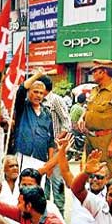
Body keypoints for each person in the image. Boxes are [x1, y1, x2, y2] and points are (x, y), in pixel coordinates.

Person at [77, 59, 112, 177]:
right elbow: (88, 107)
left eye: (95, 71)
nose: (93, 74)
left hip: (106, 138)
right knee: (91, 171)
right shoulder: (95, 90)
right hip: (90, 137)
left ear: (103, 72)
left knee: (107, 172)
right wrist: (82, 118)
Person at [11, 73, 55, 176]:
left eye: (41, 93)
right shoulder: (22, 107)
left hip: (40, 159)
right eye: (35, 92)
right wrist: (37, 75)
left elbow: (51, 141)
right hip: (23, 156)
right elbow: (21, 90)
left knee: (39, 190)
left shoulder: (47, 113)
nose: (38, 95)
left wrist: (50, 163)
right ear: (29, 92)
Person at [40, 75, 71, 215]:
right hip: (42, 150)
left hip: (57, 150)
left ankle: (60, 216)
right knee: (42, 184)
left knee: (57, 182)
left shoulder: (55, 100)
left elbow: (67, 122)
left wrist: (57, 139)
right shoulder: (37, 101)